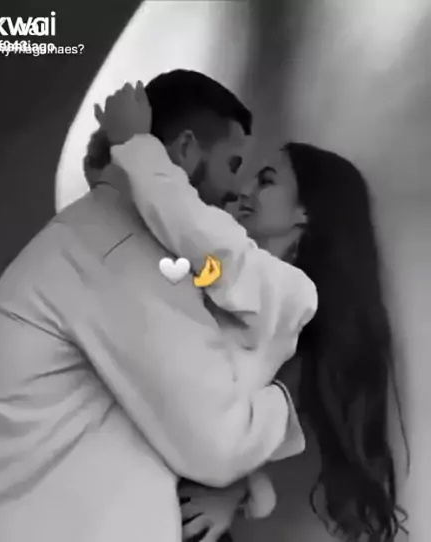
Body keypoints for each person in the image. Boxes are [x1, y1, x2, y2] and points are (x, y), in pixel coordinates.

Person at [0, 70, 314, 542]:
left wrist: (245, 487)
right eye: (232, 165)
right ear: (186, 150)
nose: (235, 192)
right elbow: (217, 443)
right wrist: (286, 400)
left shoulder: (99, 238)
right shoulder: (125, 252)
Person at [94, 82, 408, 542]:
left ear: (305, 213)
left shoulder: (289, 305)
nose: (242, 190)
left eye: (266, 180)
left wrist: (135, 144)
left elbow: (259, 424)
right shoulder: (224, 276)